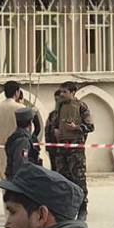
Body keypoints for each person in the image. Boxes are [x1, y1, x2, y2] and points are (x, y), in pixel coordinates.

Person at [45, 82, 95, 219]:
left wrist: (76, 128)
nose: (61, 94)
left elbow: (90, 126)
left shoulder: (81, 106)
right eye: (60, 92)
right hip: (62, 149)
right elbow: (54, 124)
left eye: (64, 92)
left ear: (72, 92)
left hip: (75, 149)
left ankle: (82, 208)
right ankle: (66, 208)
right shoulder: (60, 107)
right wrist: (55, 130)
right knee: (63, 180)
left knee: (78, 178)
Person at [0, 80, 41, 152]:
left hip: (1, 151)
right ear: (17, 92)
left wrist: (1, 132)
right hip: (18, 150)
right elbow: (28, 131)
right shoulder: (21, 109)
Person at [4, 106, 41, 178]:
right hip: (20, 182)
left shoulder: (17, 136)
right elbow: (21, 164)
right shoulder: (23, 141)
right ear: (30, 124)